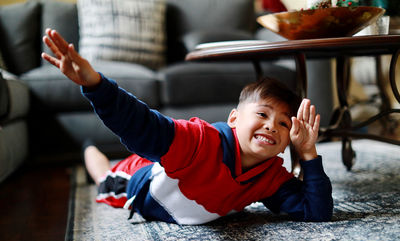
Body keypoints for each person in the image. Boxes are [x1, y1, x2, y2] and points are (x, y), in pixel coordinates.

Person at [42, 28, 333, 225]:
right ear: (233, 119)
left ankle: (90, 149)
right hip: (143, 181)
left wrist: (308, 153)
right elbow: (143, 125)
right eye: (262, 114)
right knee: (105, 176)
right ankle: (88, 149)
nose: (271, 126)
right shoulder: (199, 141)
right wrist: (96, 85)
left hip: (180, 174)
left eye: (283, 123)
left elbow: (316, 213)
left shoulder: (271, 177)